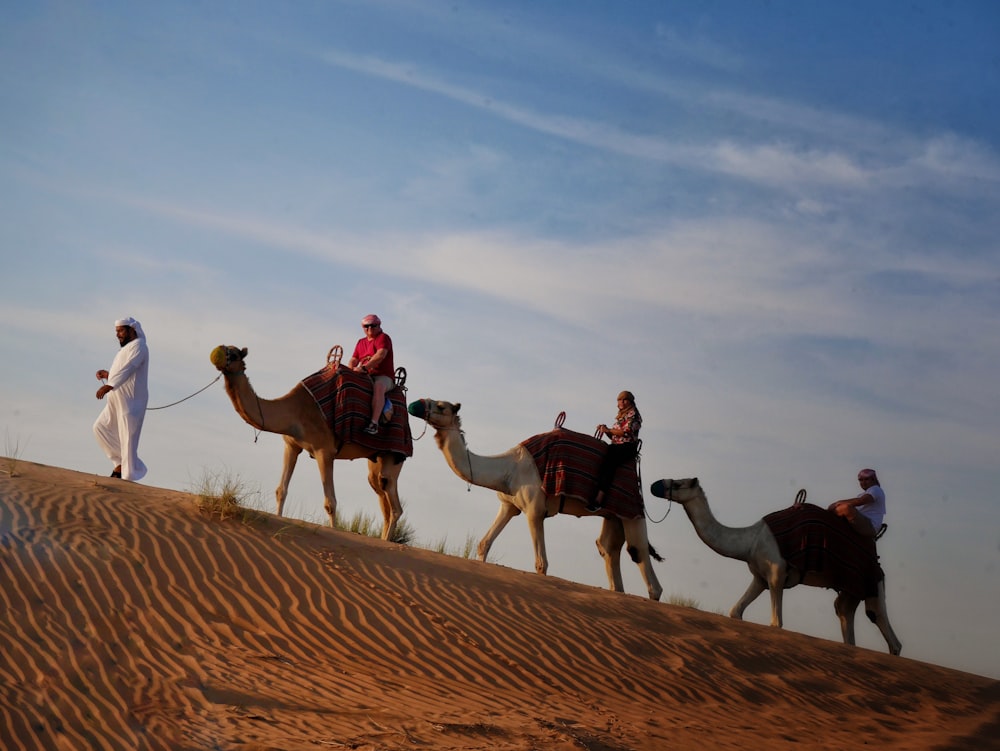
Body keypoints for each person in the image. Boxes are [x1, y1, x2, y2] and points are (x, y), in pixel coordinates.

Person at [93, 316, 149, 481]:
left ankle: (127, 476)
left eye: (120, 331)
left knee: (128, 437)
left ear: (132, 330)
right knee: (100, 427)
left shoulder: (140, 346)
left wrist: (110, 385)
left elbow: (129, 368)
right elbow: (121, 372)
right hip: (117, 397)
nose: (118, 334)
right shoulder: (125, 349)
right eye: (116, 331)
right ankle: (120, 462)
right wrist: (108, 376)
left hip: (132, 400)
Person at [588, 390, 642, 511]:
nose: (621, 402)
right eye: (619, 400)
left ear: (630, 401)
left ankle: (599, 500)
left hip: (627, 447)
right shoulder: (621, 416)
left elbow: (626, 432)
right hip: (616, 445)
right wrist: (605, 431)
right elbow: (614, 436)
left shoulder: (633, 415)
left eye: (624, 399)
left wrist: (608, 430)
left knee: (609, 465)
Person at [347, 314, 395, 435]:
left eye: (372, 325)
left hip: (382, 376)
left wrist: (364, 368)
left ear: (378, 325)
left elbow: (380, 355)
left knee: (379, 386)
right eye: (366, 326)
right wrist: (349, 370)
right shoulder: (360, 342)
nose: (369, 328)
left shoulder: (383, 338)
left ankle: (374, 423)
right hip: (365, 375)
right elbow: (354, 359)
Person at [828, 468, 885, 538]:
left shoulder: (875, 489)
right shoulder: (863, 493)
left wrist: (837, 503)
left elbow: (861, 501)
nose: (863, 482)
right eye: (861, 480)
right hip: (862, 522)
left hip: (870, 525)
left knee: (846, 508)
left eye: (866, 479)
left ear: (873, 479)